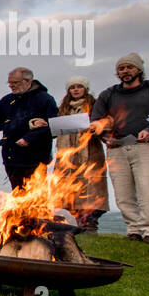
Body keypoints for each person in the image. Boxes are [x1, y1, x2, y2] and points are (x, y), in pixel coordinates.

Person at [92, 53, 149, 243]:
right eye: (121, 68)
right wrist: (105, 136)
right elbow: (96, 120)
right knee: (123, 192)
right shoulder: (108, 94)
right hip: (116, 148)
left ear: (139, 69)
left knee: (148, 190)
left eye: (129, 67)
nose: (125, 71)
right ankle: (134, 229)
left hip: (145, 145)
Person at [53, 76, 108, 232]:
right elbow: (56, 130)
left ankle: (89, 223)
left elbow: (103, 126)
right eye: (72, 87)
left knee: (90, 188)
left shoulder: (95, 106)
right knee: (66, 188)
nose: (76, 90)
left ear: (85, 89)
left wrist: (95, 127)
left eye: (79, 87)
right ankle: (70, 222)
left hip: (89, 152)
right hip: (66, 155)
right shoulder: (64, 109)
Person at [0, 66, 57, 190]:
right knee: (18, 194)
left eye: (15, 82)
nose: (11, 85)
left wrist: (28, 138)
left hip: (36, 157)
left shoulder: (45, 99)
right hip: (11, 156)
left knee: (36, 195)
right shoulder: (6, 100)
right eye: (9, 83)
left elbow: (51, 125)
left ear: (28, 81)